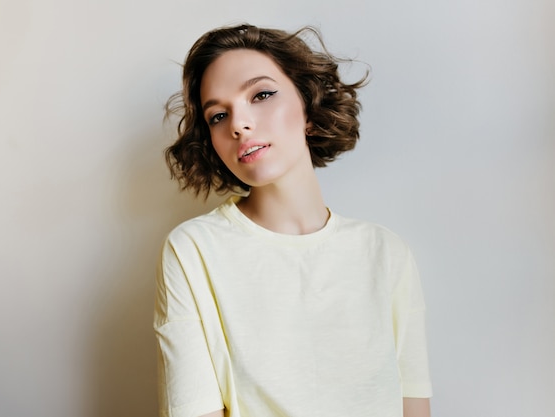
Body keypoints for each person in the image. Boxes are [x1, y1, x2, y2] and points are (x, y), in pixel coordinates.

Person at [154, 23, 432, 417]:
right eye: (218, 115)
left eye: (261, 94)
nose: (238, 124)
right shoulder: (193, 251)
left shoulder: (386, 254)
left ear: (309, 109)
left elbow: (413, 408)